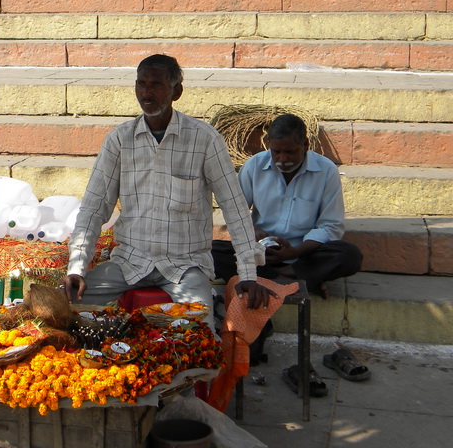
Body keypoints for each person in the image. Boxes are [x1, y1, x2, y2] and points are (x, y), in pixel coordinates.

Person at [61, 54, 275, 330]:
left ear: (177, 91)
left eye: (156, 84)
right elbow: (93, 209)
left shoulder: (205, 139)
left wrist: (248, 273)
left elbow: (234, 208)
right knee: (65, 307)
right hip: (129, 262)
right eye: (141, 84)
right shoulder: (119, 140)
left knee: (201, 332)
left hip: (185, 266)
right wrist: (76, 268)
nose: (147, 92)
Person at [212, 113, 363, 300]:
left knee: (349, 255)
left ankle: (283, 275)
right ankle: (292, 278)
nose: (283, 159)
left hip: (304, 253)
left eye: (290, 152)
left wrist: (295, 252)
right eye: (276, 152)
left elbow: (331, 226)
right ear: (268, 144)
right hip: (261, 253)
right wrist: (253, 229)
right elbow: (236, 213)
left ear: (306, 145)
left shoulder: (326, 171)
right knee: (211, 251)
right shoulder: (254, 166)